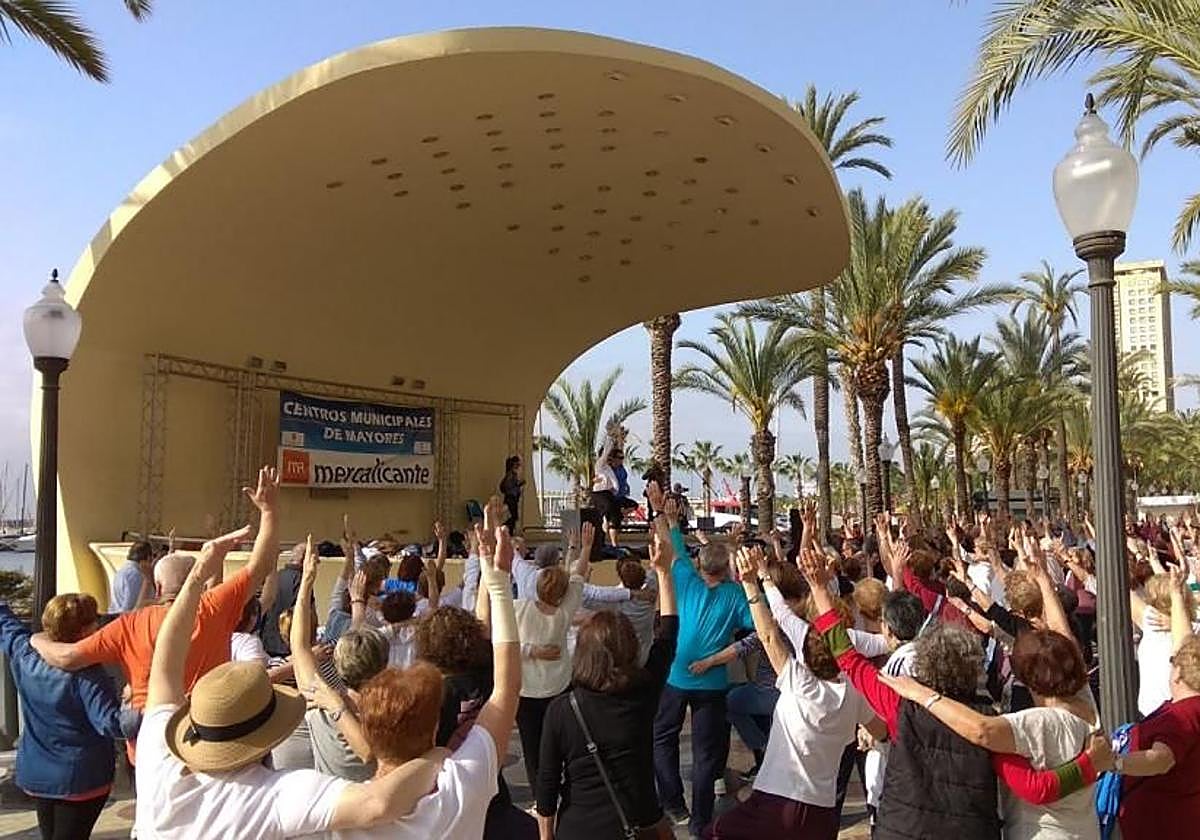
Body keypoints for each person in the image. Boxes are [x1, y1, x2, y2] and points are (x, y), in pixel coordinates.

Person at [133, 530, 445, 839]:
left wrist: (198, 577)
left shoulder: (157, 756)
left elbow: (165, 661)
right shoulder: (273, 796)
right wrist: (441, 756)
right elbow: (377, 804)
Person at [802, 548, 1109, 840]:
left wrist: (819, 591)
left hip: (903, 828)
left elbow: (848, 658)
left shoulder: (906, 705)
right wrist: (1090, 764)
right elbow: (1031, 784)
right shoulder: (990, 720)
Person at [31, 467, 282, 760]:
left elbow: (67, 657)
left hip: (149, 749)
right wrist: (269, 511)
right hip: (206, 742)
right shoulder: (213, 607)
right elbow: (261, 565)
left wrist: (35, 639)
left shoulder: (128, 625)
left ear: (158, 586)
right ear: (198, 584)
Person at [303, 506, 523, 838]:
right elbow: (507, 683)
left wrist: (336, 705)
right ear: (433, 727)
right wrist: (497, 580)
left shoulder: (337, 811)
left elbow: (314, 655)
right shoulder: (461, 785)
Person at [705, 546, 887, 839]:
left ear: (806, 652)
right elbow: (883, 731)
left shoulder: (797, 680)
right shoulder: (854, 694)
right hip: (822, 813)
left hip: (778, 802)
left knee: (712, 834)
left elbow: (769, 634)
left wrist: (753, 581)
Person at [535, 500, 680, 840]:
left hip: (579, 827)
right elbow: (668, 634)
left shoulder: (562, 709)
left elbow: (547, 782)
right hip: (638, 822)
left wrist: (545, 835)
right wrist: (663, 572)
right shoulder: (643, 692)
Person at [651, 483, 754, 836]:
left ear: (700, 563)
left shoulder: (684, 577)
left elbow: (671, 544)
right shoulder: (736, 594)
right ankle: (700, 822)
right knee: (705, 754)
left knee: (663, 737)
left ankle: (673, 803)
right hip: (711, 683)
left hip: (676, 675)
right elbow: (757, 632)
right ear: (726, 569)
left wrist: (664, 515)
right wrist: (717, 659)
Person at [0, 594, 139, 840]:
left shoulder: (24, 653)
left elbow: (6, 624)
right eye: (95, 621)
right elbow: (110, 724)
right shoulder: (87, 675)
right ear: (84, 631)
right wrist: (133, 704)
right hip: (81, 778)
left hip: (38, 771)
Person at [417, 603, 536, 839]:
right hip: (491, 789)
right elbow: (489, 629)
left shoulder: (429, 694)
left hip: (447, 797)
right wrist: (493, 586)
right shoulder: (489, 676)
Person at [1109, 576, 1200, 838]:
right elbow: (1184, 644)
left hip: (1165, 823)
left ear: (1178, 673)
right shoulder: (1187, 706)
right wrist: (1177, 594)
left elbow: (1161, 759)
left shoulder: (1183, 715)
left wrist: (1113, 762)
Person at [511, 518, 591, 786]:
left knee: (532, 748)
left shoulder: (518, 608)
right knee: (562, 744)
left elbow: (500, 641)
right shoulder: (564, 614)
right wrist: (583, 548)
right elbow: (578, 578)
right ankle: (564, 790)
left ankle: (541, 798)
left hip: (527, 690)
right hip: (558, 687)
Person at [109, 540, 154, 614]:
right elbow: (132, 607)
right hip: (127, 618)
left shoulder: (122, 570)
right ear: (149, 558)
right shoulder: (136, 575)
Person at [501, 455, 526, 534]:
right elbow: (509, 487)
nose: (518, 466)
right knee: (512, 517)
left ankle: (508, 532)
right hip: (510, 498)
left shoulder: (512, 474)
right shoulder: (510, 475)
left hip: (513, 499)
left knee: (513, 517)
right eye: (517, 464)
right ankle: (506, 532)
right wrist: (519, 484)